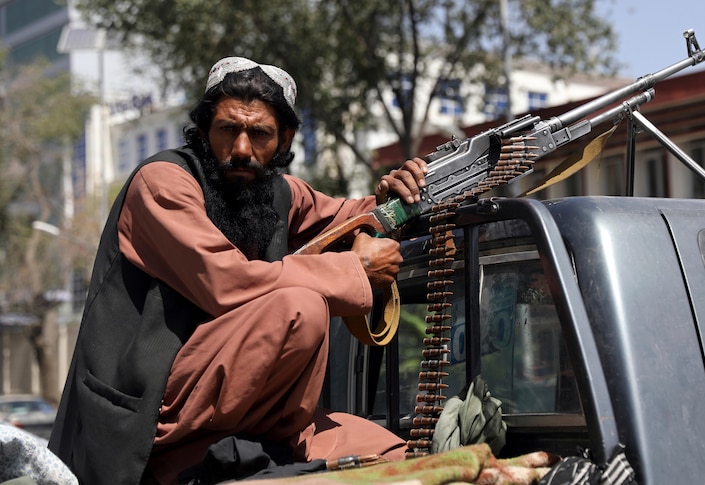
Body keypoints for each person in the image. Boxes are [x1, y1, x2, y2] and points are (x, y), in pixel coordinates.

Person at [48, 56, 428, 485]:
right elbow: (227, 283)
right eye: (228, 129)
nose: (242, 149)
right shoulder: (163, 184)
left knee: (400, 457)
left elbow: (352, 219)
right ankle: (195, 459)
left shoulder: (279, 193)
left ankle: (260, 449)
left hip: (246, 415)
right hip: (152, 414)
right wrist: (354, 270)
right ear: (205, 130)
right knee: (299, 308)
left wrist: (398, 194)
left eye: (260, 133)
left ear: (284, 139)